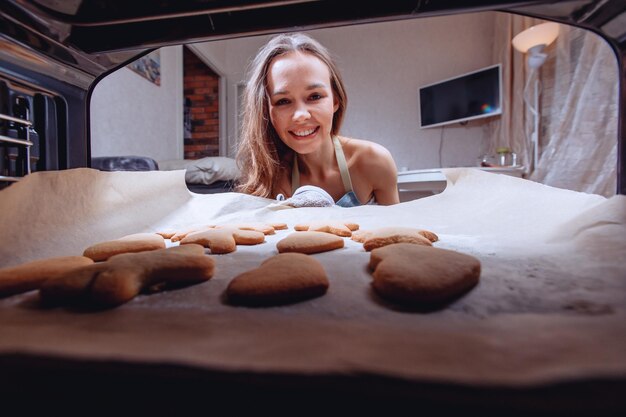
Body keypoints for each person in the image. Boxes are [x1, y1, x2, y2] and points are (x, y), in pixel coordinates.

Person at [236, 32, 399, 206]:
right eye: (283, 101)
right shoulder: (271, 179)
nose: (300, 115)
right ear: (267, 112)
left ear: (335, 100)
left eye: (314, 96)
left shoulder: (374, 162)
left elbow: (396, 231)